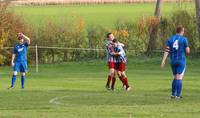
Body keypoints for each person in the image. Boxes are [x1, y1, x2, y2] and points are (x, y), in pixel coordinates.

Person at [161, 26, 190, 99]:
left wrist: (163, 61)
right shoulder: (184, 39)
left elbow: (167, 50)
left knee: (175, 77)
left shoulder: (170, 39)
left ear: (176, 31)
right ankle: (178, 95)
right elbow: (187, 51)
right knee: (179, 78)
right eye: (183, 31)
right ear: (182, 31)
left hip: (173, 61)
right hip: (181, 60)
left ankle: (173, 94)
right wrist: (187, 48)